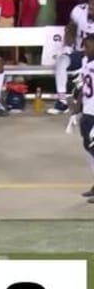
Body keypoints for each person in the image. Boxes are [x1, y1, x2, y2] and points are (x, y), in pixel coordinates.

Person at [48, 0, 94, 114]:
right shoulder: (79, 11)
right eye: (90, 6)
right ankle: (62, 101)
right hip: (79, 53)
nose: (91, 10)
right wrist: (68, 46)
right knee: (61, 62)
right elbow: (70, 28)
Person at [68, 34, 94, 203]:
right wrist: (76, 109)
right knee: (88, 147)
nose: (85, 49)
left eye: (88, 46)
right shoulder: (86, 63)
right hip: (88, 112)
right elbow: (83, 87)